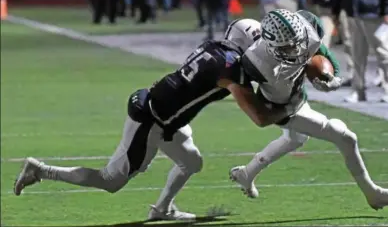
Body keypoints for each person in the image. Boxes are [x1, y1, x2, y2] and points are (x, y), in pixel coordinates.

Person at [13, 19, 289, 221]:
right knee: (110, 181)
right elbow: (260, 118)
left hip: (165, 116)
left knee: (192, 161)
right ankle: (40, 170)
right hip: (153, 120)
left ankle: (161, 210)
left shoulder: (215, 47)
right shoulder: (230, 66)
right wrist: (287, 108)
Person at [229, 9, 388, 210]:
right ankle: (373, 194)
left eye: (297, 43)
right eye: (287, 48)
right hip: (282, 107)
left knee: (295, 139)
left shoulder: (308, 26)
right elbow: (243, 96)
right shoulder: (254, 62)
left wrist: (334, 78)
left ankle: (246, 174)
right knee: (346, 137)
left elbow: (323, 53)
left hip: (296, 94)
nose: (296, 50)